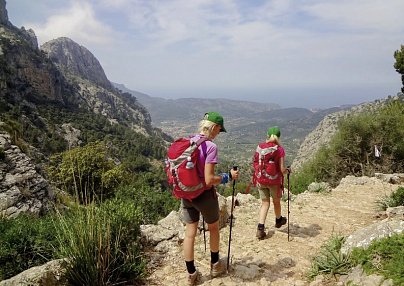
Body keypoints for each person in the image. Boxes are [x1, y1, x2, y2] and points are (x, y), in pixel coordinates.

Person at [182, 111, 239, 285]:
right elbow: (208, 180)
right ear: (213, 127)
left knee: (190, 232)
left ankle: (191, 274)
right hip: (204, 195)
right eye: (219, 130)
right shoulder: (210, 147)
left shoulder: (188, 141)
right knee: (213, 227)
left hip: (186, 193)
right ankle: (215, 264)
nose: (218, 134)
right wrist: (227, 176)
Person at [253, 126, 290, 240]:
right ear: (278, 137)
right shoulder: (280, 149)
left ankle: (260, 228)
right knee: (276, 201)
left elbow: (255, 161)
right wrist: (288, 171)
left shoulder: (260, 147)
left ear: (268, 136)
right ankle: (278, 220)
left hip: (261, 180)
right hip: (274, 181)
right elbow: (282, 169)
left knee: (265, 203)